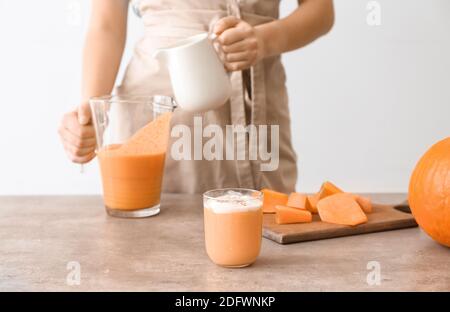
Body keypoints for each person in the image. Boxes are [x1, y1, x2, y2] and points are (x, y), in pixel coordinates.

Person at [58, 0, 334, 193]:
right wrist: (91, 111)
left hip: (257, 105)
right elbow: (106, 23)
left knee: (268, 240)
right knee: (149, 245)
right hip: (156, 106)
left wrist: (264, 40)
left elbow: (321, 10)